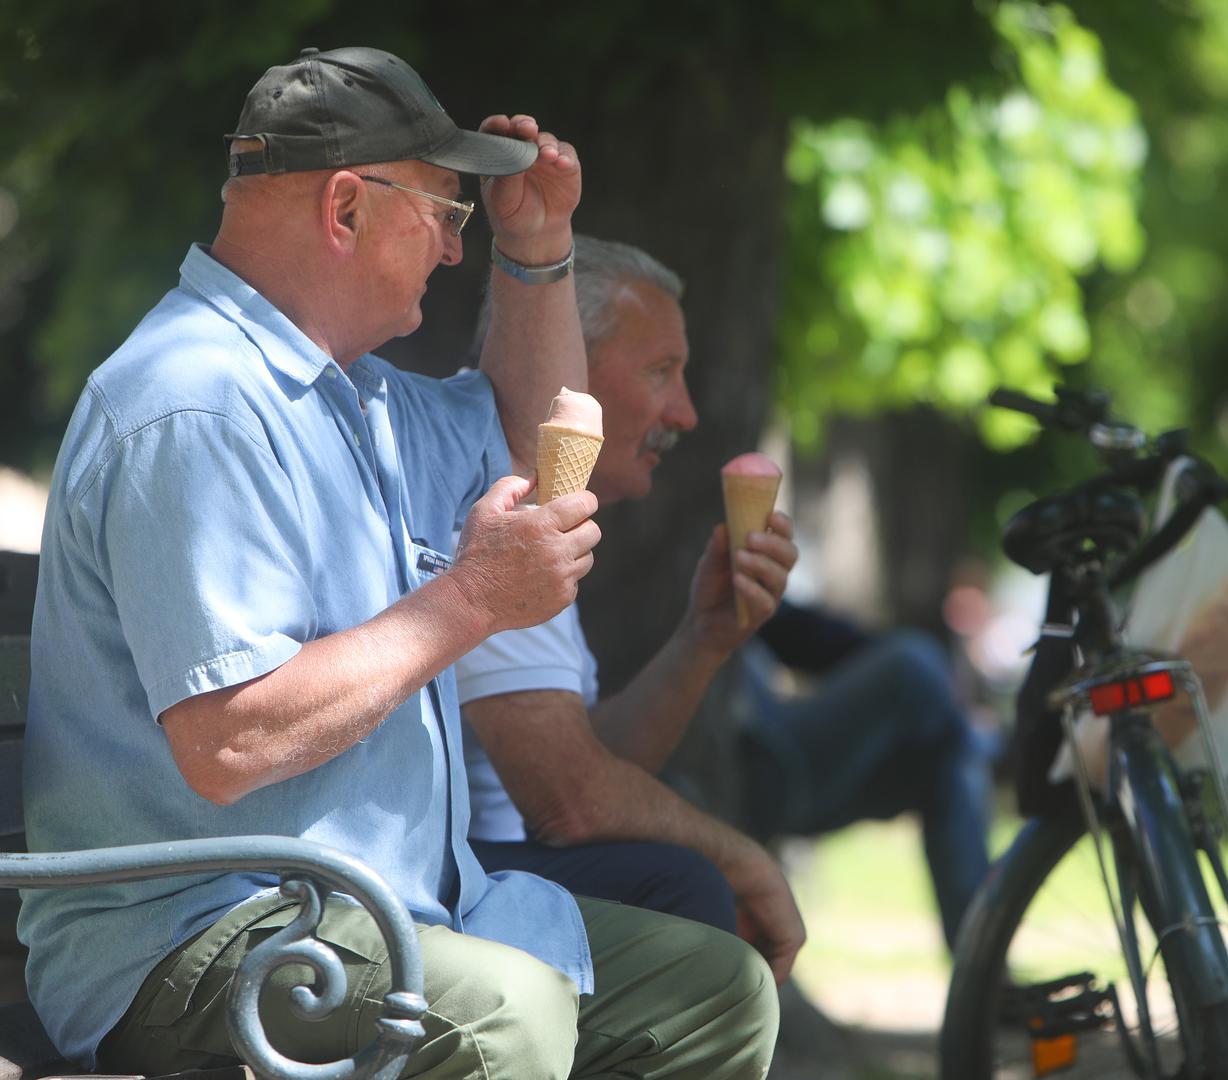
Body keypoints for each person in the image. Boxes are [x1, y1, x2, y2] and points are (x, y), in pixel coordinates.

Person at [20, 47, 775, 1079]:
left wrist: (538, 247)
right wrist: (466, 602)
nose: (454, 251)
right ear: (345, 208)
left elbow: (529, 439)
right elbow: (229, 745)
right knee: (504, 1016)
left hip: (380, 908)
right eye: (447, 216)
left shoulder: (347, 390)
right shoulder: (195, 402)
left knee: (714, 997)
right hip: (198, 939)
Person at [456, 237, 807, 982]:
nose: (683, 412)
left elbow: (591, 769)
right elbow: (569, 804)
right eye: (660, 372)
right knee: (685, 881)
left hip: (478, 863)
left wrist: (705, 640)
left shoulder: (529, 493)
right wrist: (744, 859)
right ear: (569, 370)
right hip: (427, 883)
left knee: (673, 839)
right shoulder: (496, 495)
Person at [735, 601, 995, 951]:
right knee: (912, 662)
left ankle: (982, 972)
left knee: (944, 766)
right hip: (759, 763)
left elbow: (793, 633)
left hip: (779, 754)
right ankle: (992, 745)